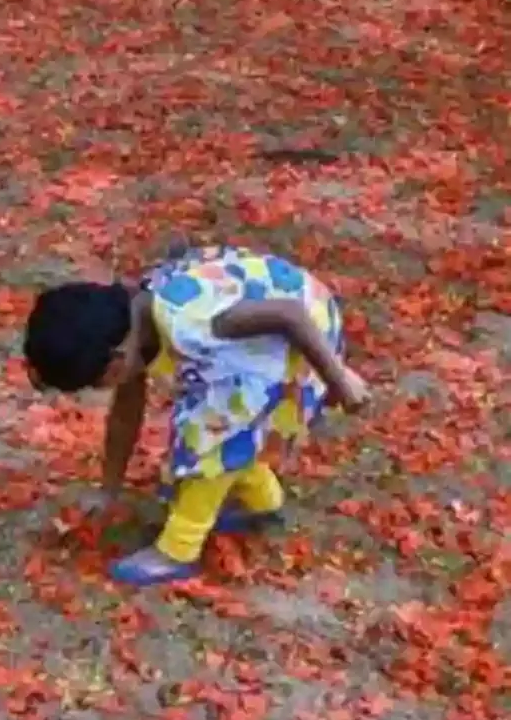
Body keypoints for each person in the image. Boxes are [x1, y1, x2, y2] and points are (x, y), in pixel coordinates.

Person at [22, 244, 370, 587]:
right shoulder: (132, 318)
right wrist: (108, 489)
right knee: (225, 425)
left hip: (303, 332)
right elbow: (125, 416)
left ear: (115, 361)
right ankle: (262, 502)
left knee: (209, 441)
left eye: (96, 383)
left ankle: (178, 550)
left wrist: (338, 379)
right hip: (257, 339)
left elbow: (288, 314)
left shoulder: (190, 321)